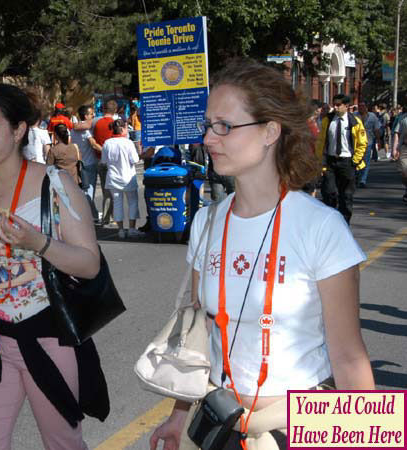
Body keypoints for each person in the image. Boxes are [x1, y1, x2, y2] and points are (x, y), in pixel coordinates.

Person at [150, 59, 374, 450]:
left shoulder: (321, 227)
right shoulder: (207, 221)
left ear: (270, 131)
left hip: (301, 426)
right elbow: (199, 338)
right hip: (218, 421)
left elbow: (348, 357)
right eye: (207, 125)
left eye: (225, 126)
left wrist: (364, 440)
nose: (209, 138)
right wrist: (178, 417)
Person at [0, 84, 109, 450]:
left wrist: (39, 243)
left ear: (18, 131)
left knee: (62, 442)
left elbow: (90, 264)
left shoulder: (55, 184)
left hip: (49, 339)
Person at [315, 94, 367, 224]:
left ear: (346, 106)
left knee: (346, 195)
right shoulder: (328, 120)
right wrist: (319, 160)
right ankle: (331, 221)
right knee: (329, 191)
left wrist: (355, 161)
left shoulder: (355, 121)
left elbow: (362, 143)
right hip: (330, 161)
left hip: (347, 161)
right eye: (334, 104)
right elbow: (321, 141)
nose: (336, 107)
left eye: (339, 105)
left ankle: (344, 222)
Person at [100, 119, 143, 239]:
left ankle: (120, 230)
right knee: (133, 202)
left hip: (113, 177)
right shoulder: (128, 143)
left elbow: (104, 161)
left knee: (118, 204)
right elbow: (135, 160)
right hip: (128, 177)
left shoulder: (107, 143)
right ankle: (132, 228)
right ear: (123, 129)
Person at [72, 105, 100, 220]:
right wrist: (105, 150)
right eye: (91, 114)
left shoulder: (73, 130)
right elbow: (93, 144)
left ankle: (94, 214)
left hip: (79, 163)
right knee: (89, 190)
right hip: (89, 163)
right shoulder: (86, 130)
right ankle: (89, 215)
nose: (93, 115)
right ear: (85, 115)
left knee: (84, 189)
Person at [93, 99, 119, 225]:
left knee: (105, 189)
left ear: (103, 109)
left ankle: (108, 216)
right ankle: (110, 217)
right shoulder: (115, 124)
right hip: (112, 160)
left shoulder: (97, 123)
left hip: (99, 159)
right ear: (115, 110)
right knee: (113, 190)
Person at [356, 103, 381, 188]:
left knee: (366, 161)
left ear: (366, 108)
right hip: (356, 143)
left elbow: (376, 129)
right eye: (360, 106)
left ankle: (363, 180)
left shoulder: (372, 116)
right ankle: (357, 177)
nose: (361, 108)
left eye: (363, 107)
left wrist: (378, 140)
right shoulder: (354, 115)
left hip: (368, 142)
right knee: (356, 161)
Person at [390, 113, 407, 202]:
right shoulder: (402, 118)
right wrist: (394, 149)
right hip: (404, 149)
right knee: (405, 172)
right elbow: (397, 133)